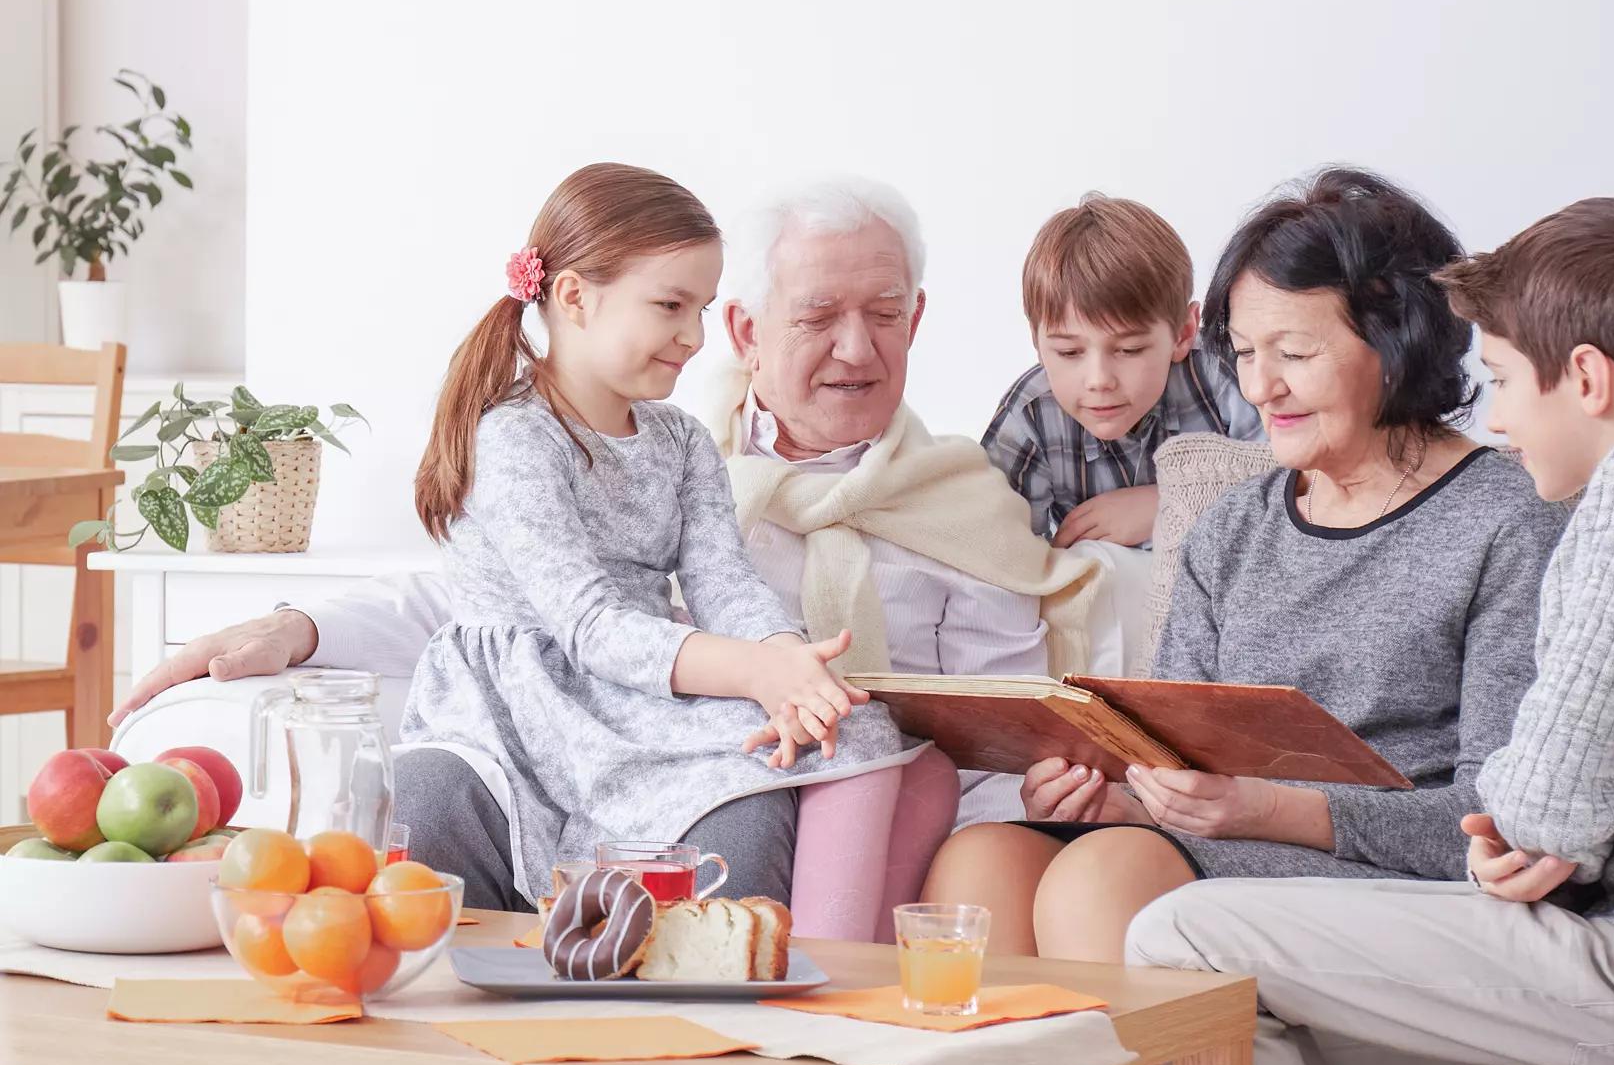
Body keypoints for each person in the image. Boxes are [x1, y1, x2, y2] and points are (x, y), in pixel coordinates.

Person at [106, 177, 1101, 928]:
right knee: (450, 796)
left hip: (777, 740)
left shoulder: (950, 501)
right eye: (815, 318)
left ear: (917, 319)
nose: (855, 349)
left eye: (884, 316)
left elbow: (729, 593)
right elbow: (509, 604)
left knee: (848, 758)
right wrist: (298, 626)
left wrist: (789, 666)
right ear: (752, 336)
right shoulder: (576, 436)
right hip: (601, 699)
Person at [1128, 196, 1614, 1065]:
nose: (1495, 418)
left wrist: (1514, 833)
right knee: (1224, 973)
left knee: (1179, 938)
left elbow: (1542, 809)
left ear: (1587, 379)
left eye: (1502, 380)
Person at [922, 168, 1569, 1065]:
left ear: (1393, 344)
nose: (1258, 386)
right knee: (978, 864)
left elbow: (1494, 818)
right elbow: (1175, 755)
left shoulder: (1503, 519)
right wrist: (1116, 794)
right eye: (1245, 350)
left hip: (1377, 866)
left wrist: (1255, 809)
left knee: (1098, 885)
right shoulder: (1236, 527)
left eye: (1294, 353)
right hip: (1225, 844)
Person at [404, 161, 930, 927]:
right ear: (575, 297)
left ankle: (806, 983)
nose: (693, 338)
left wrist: (788, 660)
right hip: (519, 709)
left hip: (632, 696)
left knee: (849, 726)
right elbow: (586, 626)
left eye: (702, 309)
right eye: (670, 307)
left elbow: (725, 583)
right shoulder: (516, 437)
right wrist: (755, 670)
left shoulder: (680, 441)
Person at [983, 192, 1261, 547]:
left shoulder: (1221, 372)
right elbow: (998, 556)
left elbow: (1301, 479)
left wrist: (1168, 503)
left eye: (1129, 349)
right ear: (1037, 343)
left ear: (1183, 333)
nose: (1099, 380)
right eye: (1069, 352)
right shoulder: (1030, 415)